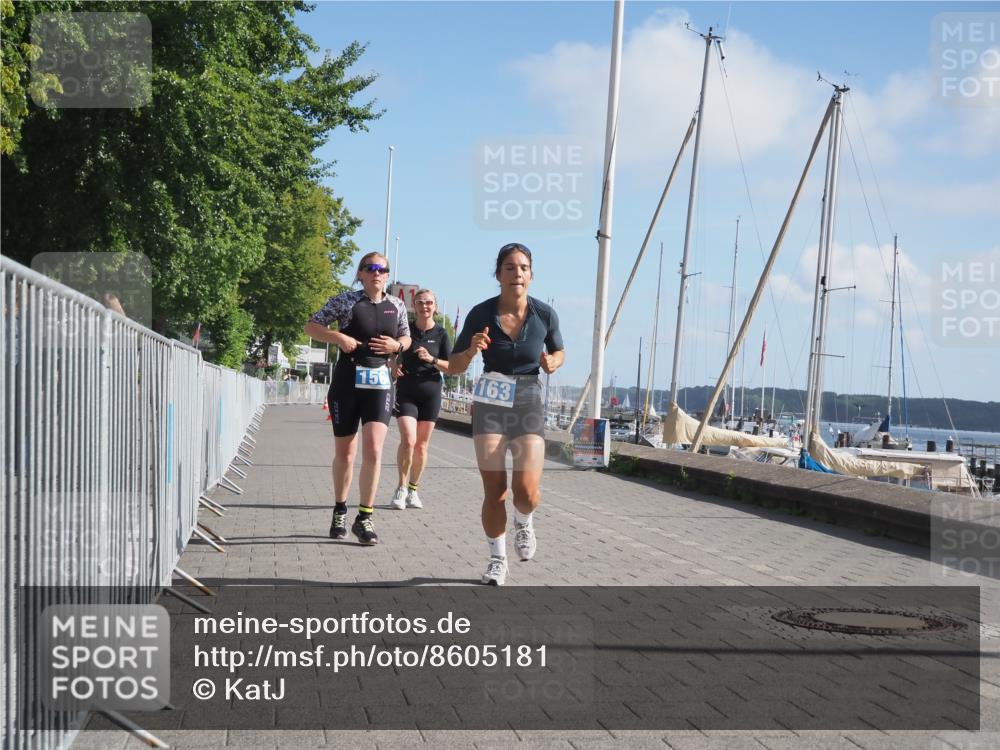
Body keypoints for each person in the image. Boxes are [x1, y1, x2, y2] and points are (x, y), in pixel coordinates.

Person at [448, 243, 564, 585]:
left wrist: (553, 362)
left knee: (526, 490)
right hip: (491, 396)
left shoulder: (544, 315)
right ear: (498, 274)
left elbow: (559, 349)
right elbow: (454, 366)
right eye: (510, 268)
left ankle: (524, 522)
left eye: (524, 267)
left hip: (528, 394)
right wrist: (471, 349)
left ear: (531, 274)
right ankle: (497, 559)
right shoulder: (480, 314)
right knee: (494, 487)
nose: (517, 273)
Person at [304, 252, 410, 545]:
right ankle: (340, 509)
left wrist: (397, 345)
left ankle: (365, 517)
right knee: (346, 454)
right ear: (361, 273)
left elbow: (407, 337)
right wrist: (338, 337)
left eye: (382, 269)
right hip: (347, 382)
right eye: (370, 268)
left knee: (374, 450)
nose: (377, 273)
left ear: (388, 275)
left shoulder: (397, 305)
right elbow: (311, 326)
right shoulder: (346, 301)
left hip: (380, 383)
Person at [390, 289, 452, 510]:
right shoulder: (405, 330)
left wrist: (432, 358)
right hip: (407, 389)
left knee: (422, 446)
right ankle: (401, 487)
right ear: (413, 306)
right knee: (408, 440)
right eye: (420, 302)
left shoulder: (442, 334)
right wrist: (393, 364)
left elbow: (452, 366)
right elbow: (391, 350)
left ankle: (414, 490)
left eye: (429, 303)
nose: (425, 306)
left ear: (435, 307)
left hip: (431, 390)